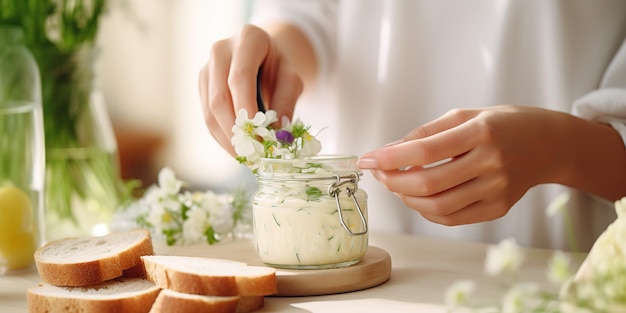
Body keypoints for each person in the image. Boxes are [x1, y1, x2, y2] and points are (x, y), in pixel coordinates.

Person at [199, 0, 626, 251]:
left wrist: (559, 148)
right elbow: (309, 17)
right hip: (363, 273)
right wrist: (276, 49)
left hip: (561, 267)